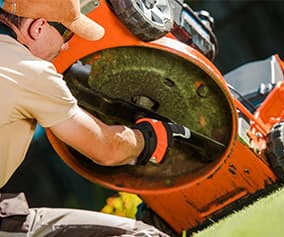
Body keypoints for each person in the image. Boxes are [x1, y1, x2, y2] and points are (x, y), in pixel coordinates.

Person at [0, 0, 191, 236]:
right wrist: (150, 137)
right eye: (65, 34)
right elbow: (106, 149)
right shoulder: (28, 69)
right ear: (38, 27)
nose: (64, 47)